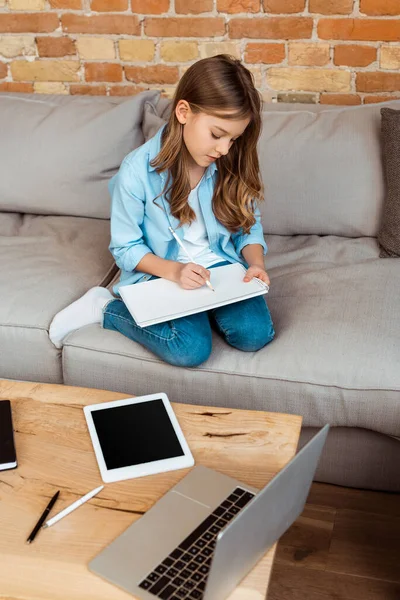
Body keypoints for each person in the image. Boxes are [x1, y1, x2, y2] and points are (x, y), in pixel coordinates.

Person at [49, 54, 275, 367]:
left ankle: (209, 307)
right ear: (184, 112)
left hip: (221, 270)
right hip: (164, 274)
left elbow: (248, 225)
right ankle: (104, 308)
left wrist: (255, 264)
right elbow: (125, 248)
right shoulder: (136, 171)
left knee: (255, 336)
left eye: (234, 139)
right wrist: (176, 272)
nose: (224, 149)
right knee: (189, 349)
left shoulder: (228, 161)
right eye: (217, 134)